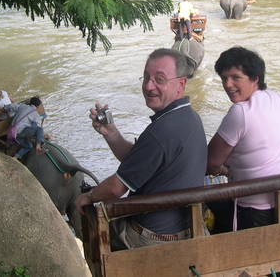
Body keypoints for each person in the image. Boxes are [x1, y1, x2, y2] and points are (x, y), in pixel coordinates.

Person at [74, 49, 208, 250]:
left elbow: (115, 188)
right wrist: (110, 133)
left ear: (181, 84)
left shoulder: (162, 130)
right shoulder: (190, 118)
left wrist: (89, 197)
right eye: (146, 77)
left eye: (159, 79)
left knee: (92, 225)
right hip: (191, 228)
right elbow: (139, 162)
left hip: (153, 238)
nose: (148, 86)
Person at [206, 46, 280, 232]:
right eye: (224, 78)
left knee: (209, 198)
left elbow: (210, 163)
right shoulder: (278, 99)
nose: (228, 84)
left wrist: (225, 170)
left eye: (236, 77)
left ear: (255, 79)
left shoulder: (240, 112)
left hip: (256, 214)